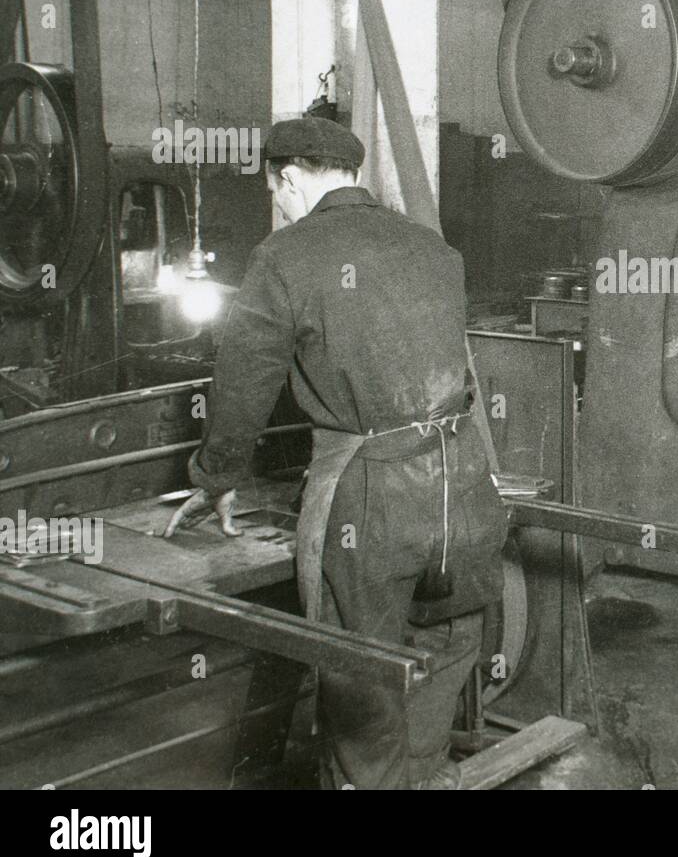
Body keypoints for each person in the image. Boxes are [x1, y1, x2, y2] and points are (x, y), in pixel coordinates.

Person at [165, 117, 506, 788]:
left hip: (369, 494)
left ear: (288, 178)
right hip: (464, 485)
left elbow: (242, 383)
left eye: (279, 192)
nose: (282, 206)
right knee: (446, 645)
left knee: (359, 678)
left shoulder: (285, 255)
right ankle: (423, 771)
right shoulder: (433, 247)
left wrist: (216, 476)